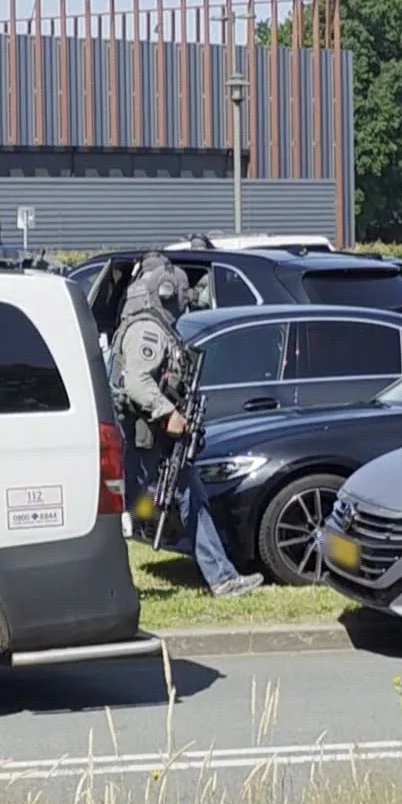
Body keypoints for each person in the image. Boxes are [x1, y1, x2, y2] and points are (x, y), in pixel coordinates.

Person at [110, 254, 263, 599]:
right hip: (141, 437)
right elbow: (136, 381)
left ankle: (222, 578)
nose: (184, 299)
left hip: (158, 440)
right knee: (123, 513)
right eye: (179, 292)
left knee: (191, 500)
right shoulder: (147, 329)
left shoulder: (155, 326)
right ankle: (112, 588)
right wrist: (168, 413)